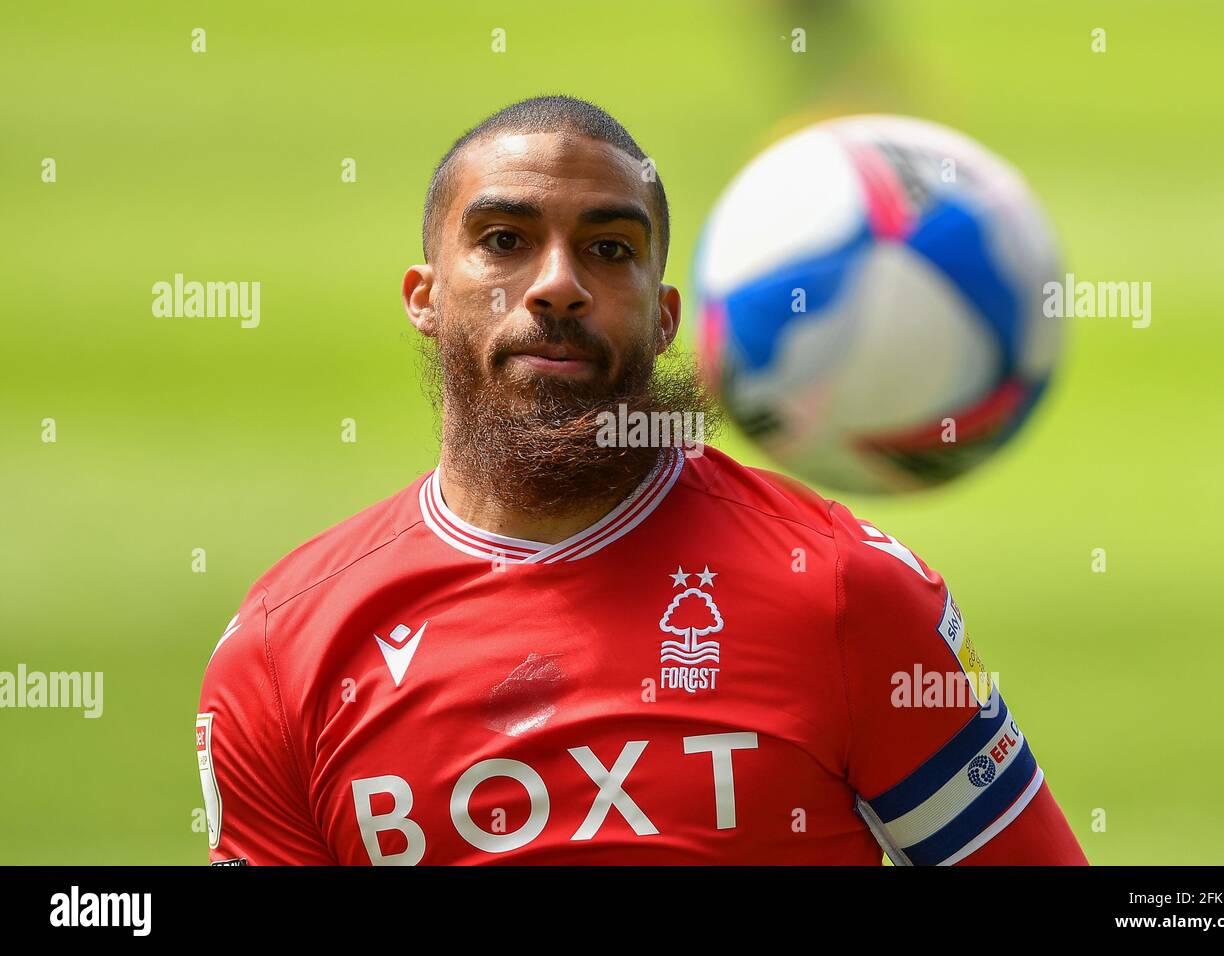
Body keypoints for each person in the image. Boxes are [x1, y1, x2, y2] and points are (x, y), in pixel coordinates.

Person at [195, 94, 1086, 865]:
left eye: (610, 250)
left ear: (665, 319)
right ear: (424, 296)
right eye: (504, 240)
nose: (558, 285)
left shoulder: (847, 594)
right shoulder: (282, 654)